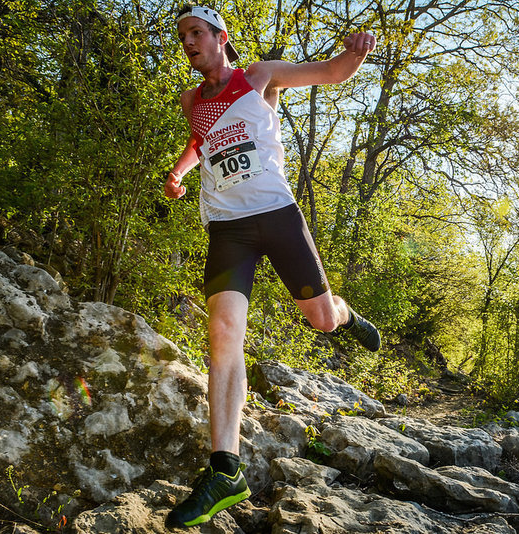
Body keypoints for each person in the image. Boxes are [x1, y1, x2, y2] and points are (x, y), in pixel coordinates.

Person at [163, 4, 381, 529]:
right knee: (223, 331)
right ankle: (225, 469)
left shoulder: (259, 76)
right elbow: (201, 142)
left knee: (320, 319)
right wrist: (177, 173)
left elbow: (328, 73)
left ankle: (345, 316)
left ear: (220, 36)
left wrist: (352, 55)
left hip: (278, 216)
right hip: (228, 227)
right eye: (183, 36)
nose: (189, 42)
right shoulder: (193, 100)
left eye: (197, 33)